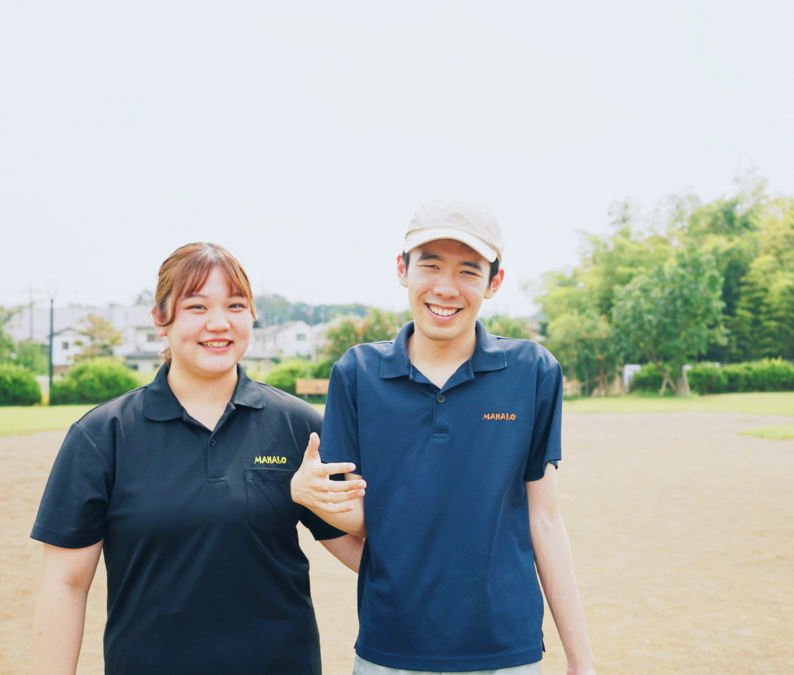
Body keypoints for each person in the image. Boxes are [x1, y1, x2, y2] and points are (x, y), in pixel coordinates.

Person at [291, 199, 595, 674]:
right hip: (390, 648)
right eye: (430, 265)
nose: (446, 288)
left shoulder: (533, 372)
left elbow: (546, 521)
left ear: (494, 281)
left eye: (469, 271)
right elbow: (367, 518)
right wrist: (304, 495)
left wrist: (582, 662)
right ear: (402, 269)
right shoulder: (357, 373)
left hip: (506, 649)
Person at [31, 242, 362, 674]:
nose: (219, 323)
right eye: (197, 306)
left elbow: (361, 550)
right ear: (160, 318)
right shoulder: (102, 435)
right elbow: (65, 585)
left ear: (252, 316)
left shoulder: (299, 427)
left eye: (236, 305)